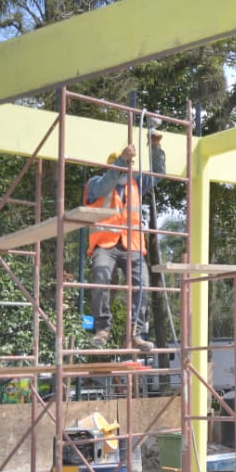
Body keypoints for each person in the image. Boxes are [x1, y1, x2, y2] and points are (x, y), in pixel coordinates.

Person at [85, 133, 165, 350]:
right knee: (100, 277)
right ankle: (102, 329)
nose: (125, 169)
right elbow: (105, 185)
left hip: (132, 244)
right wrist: (121, 160)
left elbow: (158, 173)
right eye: (121, 165)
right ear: (111, 167)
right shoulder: (95, 184)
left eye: (128, 165)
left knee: (142, 284)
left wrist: (155, 147)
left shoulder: (136, 184)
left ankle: (136, 333)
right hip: (105, 243)